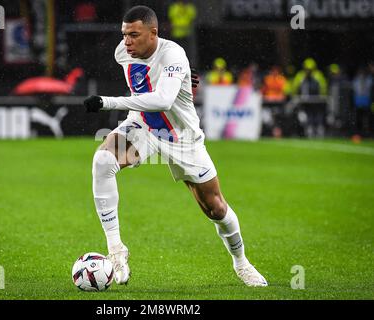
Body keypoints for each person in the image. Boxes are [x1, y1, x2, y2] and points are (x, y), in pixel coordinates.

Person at [83, 5, 267, 287]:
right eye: (124, 34)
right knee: (103, 161)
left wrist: (109, 102)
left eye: (134, 34)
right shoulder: (123, 53)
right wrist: (178, 77)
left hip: (182, 138)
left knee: (215, 208)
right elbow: (148, 87)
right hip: (144, 127)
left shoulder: (173, 53)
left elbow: (164, 101)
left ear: (153, 33)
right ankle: (116, 250)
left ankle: (241, 262)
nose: (127, 41)